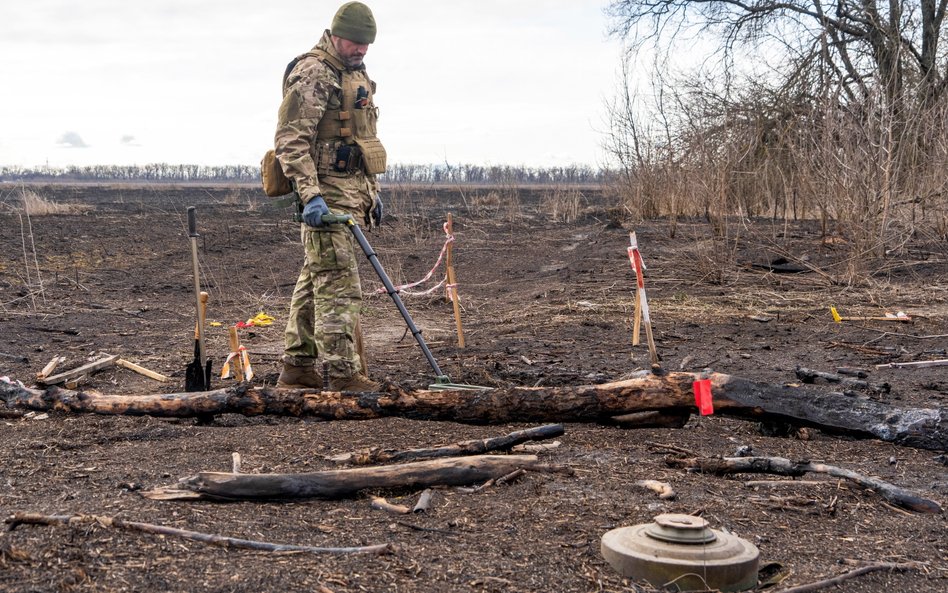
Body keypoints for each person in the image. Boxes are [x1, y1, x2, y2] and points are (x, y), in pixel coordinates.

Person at [273, 1, 386, 391]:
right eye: (355, 42)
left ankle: (297, 367)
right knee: (339, 283)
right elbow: (290, 141)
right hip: (324, 198)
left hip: (349, 194)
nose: (361, 50)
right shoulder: (314, 72)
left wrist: (371, 192)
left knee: (315, 278)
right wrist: (311, 196)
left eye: (366, 44)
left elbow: (361, 139)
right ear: (335, 34)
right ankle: (342, 375)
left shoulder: (354, 74)